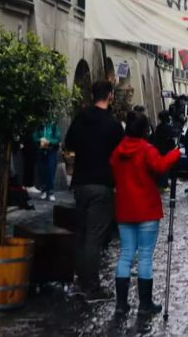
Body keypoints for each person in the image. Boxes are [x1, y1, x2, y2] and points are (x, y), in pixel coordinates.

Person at [110, 111, 180, 316]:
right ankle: (145, 304)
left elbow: (114, 168)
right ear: (144, 130)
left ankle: (121, 304)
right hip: (146, 209)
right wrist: (175, 153)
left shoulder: (118, 151)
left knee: (125, 254)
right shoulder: (146, 149)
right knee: (145, 256)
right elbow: (160, 166)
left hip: (125, 208)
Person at [65, 80, 125, 301]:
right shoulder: (112, 124)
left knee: (81, 235)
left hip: (80, 183)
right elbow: (120, 155)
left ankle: (81, 282)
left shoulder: (81, 118)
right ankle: (91, 287)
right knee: (93, 237)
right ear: (109, 95)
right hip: (102, 184)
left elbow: (69, 143)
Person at [33, 121, 61, 201]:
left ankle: (51, 191)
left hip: (51, 150)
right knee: (42, 170)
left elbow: (58, 138)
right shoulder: (39, 125)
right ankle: (44, 190)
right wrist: (40, 139)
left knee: (50, 170)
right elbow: (34, 136)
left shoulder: (54, 126)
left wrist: (49, 141)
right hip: (41, 150)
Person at [152, 110, 178, 189]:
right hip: (166, 150)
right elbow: (173, 135)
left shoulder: (158, 127)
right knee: (166, 168)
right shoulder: (167, 126)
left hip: (160, 149)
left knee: (164, 168)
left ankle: (164, 183)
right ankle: (164, 184)